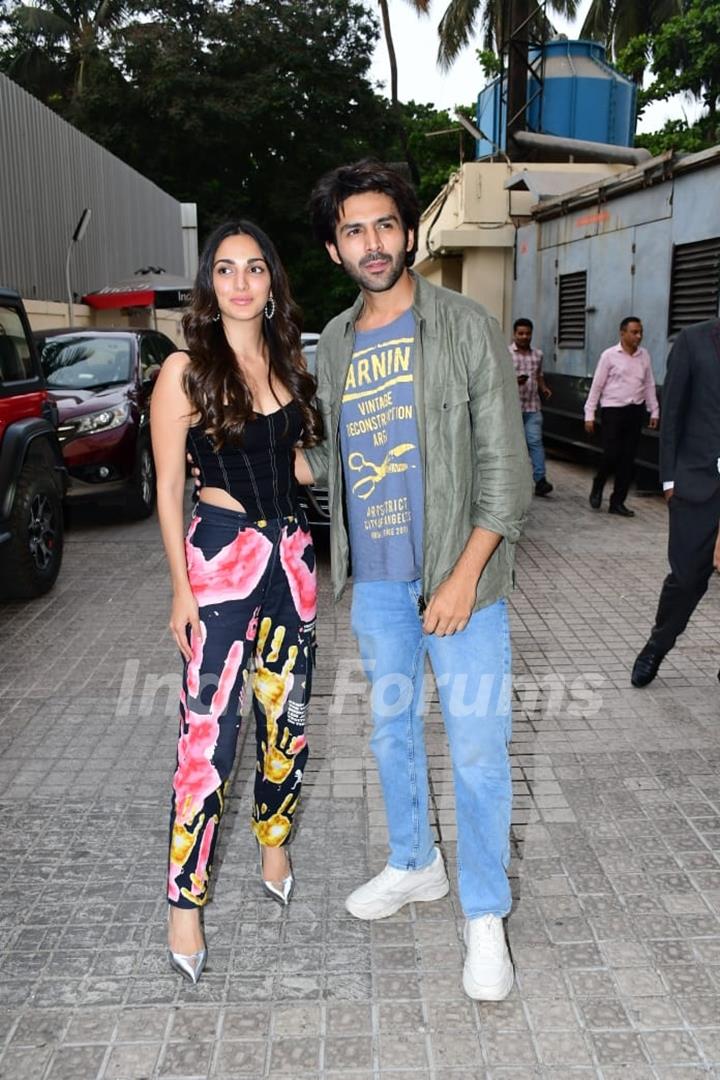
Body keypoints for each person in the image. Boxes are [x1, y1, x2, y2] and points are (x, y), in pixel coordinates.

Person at [300, 160, 532, 1001]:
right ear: (334, 248)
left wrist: (466, 578)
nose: (373, 242)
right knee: (391, 735)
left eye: (385, 224)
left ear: (408, 232)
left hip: (458, 576)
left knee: (476, 749)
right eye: (354, 230)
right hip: (379, 584)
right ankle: (414, 863)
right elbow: (333, 453)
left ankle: (483, 913)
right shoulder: (332, 340)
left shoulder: (465, 325)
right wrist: (257, 456)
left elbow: (505, 475)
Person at [151, 220, 322, 984]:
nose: (242, 282)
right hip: (219, 560)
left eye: (255, 268)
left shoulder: (287, 361)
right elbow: (165, 488)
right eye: (226, 269)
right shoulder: (184, 370)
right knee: (208, 738)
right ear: (209, 283)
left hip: (291, 558)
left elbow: (294, 460)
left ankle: (273, 839)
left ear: (272, 281)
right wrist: (179, 589)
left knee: (285, 717)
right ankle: (184, 902)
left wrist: (313, 464)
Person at [631, 318, 720, 687]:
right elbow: (674, 413)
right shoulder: (694, 340)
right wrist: (669, 480)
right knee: (687, 579)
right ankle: (657, 644)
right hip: (695, 484)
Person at [584, 316, 659, 516]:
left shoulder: (644, 356)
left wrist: (654, 409)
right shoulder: (609, 356)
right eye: (634, 332)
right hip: (613, 410)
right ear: (622, 333)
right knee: (611, 453)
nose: (639, 336)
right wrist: (589, 414)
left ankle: (617, 502)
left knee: (628, 458)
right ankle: (599, 483)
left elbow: (649, 384)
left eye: (640, 332)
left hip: (635, 411)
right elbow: (597, 386)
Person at [510, 317, 553, 496]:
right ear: (514, 334)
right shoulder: (505, 353)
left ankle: (540, 480)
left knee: (535, 442)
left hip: (532, 406)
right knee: (512, 445)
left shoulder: (538, 355)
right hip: (511, 408)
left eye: (528, 333)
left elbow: (539, 375)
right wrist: (514, 381)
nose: (524, 336)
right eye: (520, 333)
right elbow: (497, 377)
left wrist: (543, 388)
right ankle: (511, 481)